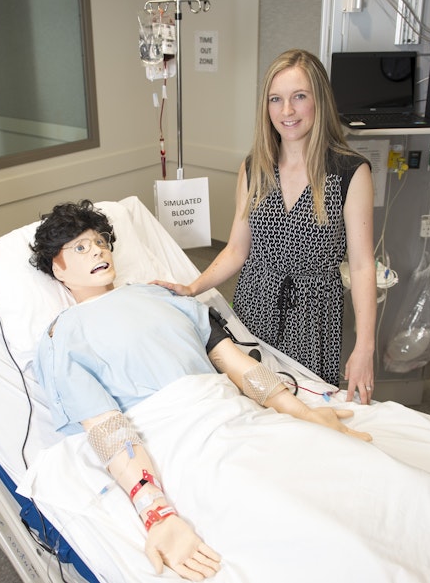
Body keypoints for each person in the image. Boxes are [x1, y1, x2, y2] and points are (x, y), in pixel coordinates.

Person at [29, 200, 371, 581]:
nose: (97, 250)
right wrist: (157, 513)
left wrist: (303, 413)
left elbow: (236, 365)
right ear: (56, 268)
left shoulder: (160, 295)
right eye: (80, 247)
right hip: (178, 440)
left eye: (100, 242)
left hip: (235, 415)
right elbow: (108, 429)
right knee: (287, 518)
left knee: (343, 482)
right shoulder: (62, 336)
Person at [154, 49, 377, 404]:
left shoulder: (350, 172)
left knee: (305, 408)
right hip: (254, 302)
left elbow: (364, 266)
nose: (286, 111)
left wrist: (365, 347)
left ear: (319, 101)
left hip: (313, 312)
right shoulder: (255, 167)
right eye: (276, 99)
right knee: (250, 403)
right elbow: (236, 249)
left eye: (299, 97)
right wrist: (191, 287)